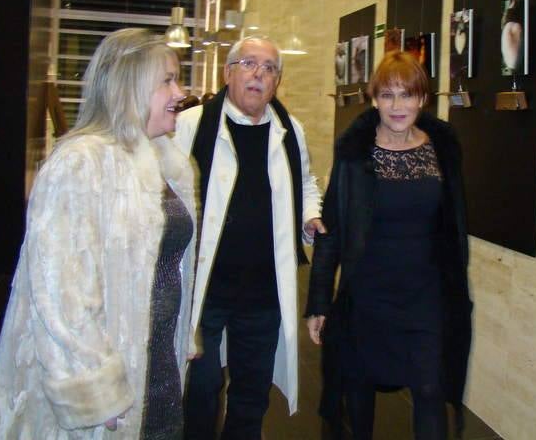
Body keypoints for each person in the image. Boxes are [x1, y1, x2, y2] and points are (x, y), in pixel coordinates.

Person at [0, 28, 198, 438]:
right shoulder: (81, 163)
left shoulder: (166, 163)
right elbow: (60, 292)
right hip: (107, 387)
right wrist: (94, 387)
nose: (181, 91)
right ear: (129, 85)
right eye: (167, 79)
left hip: (156, 367)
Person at [305, 51, 473, 440]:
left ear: (422, 99)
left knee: (431, 390)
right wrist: (318, 303)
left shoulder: (442, 150)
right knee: (359, 396)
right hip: (367, 297)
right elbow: (332, 232)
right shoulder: (354, 156)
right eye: (387, 95)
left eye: (407, 95)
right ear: (374, 98)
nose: (398, 106)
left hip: (425, 298)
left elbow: (454, 227)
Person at [175, 37, 324, 439]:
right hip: (205, 290)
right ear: (228, 73)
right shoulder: (192, 126)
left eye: (269, 68)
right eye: (248, 64)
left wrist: (310, 215)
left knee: (252, 391)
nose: (258, 74)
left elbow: (305, 182)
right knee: (202, 386)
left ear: (277, 81)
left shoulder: (290, 130)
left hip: (263, 291)